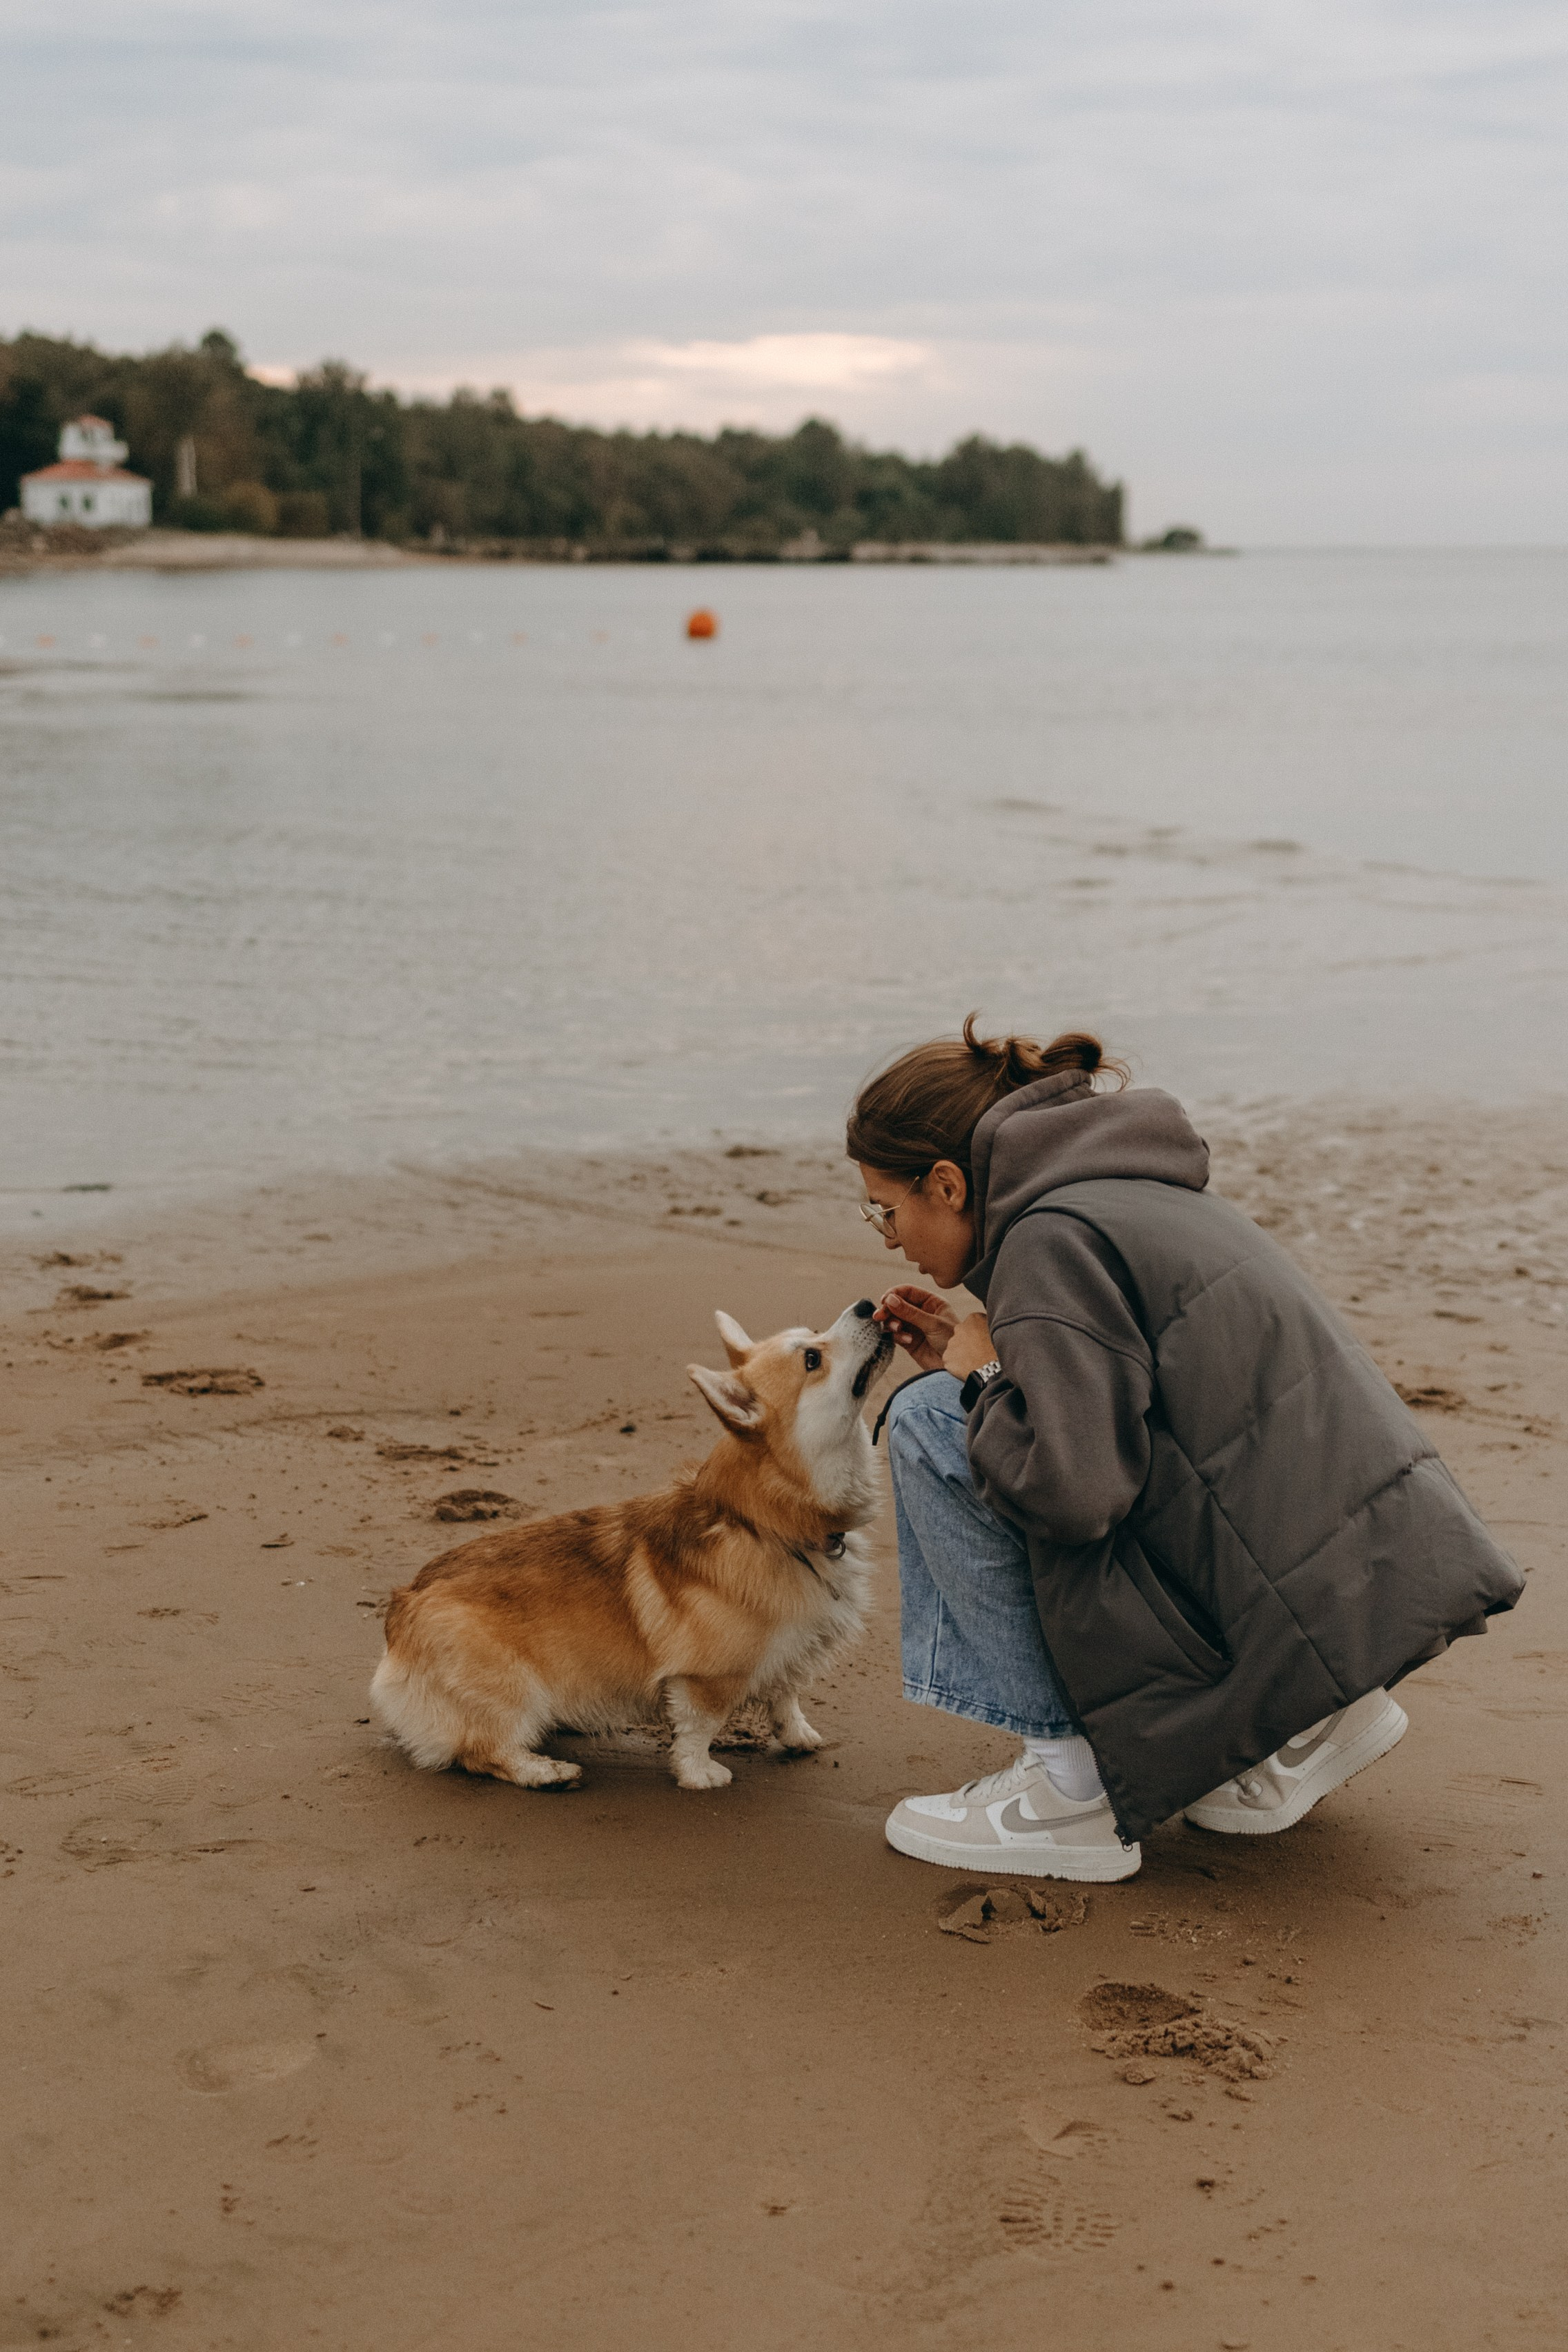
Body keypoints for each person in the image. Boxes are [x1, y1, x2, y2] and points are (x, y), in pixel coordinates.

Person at [848, 1018, 1523, 1881]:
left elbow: (1073, 1490)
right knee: (959, 1403)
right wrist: (993, 1357)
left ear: (945, 1184)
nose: (888, 1234)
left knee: (929, 1423)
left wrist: (982, 1384)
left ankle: (1071, 1793)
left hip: (1292, 1600)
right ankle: (1308, 1720)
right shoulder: (1125, 1188)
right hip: (1349, 1584)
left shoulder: (1046, 1242)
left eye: (885, 1206)